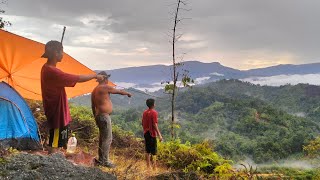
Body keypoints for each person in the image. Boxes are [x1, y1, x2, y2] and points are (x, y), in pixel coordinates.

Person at [41, 40, 105, 154]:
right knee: (54, 143)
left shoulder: (46, 68)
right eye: (61, 51)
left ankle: (54, 161)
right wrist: (95, 75)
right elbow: (78, 78)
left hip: (56, 111)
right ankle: (52, 164)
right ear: (56, 53)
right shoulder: (52, 71)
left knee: (57, 141)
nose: (63, 54)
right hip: (57, 113)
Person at [91, 71, 132, 168]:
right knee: (107, 139)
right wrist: (128, 93)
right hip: (104, 116)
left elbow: (93, 106)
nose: (108, 80)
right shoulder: (104, 87)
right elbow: (119, 91)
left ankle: (101, 159)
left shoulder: (95, 90)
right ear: (105, 78)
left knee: (102, 138)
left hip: (98, 116)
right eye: (107, 78)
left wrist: (95, 117)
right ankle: (105, 161)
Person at [142, 98, 163, 171]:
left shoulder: (144, 112)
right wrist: (159, 135)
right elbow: (155, 124)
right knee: (154, 152)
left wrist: (145, 130)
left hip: (146, 133)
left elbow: (142, 123)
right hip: (152, 134)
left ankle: (148, 167)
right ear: (153, 104)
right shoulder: (154, 113)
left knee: (147, 150)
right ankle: (154, 167)